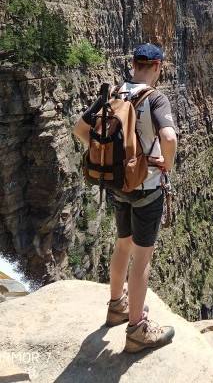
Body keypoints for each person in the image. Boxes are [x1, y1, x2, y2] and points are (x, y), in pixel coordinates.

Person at [73, 43, 178, 353]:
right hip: (146, 187)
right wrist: (166, 163)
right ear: (158, 67)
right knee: (142, 256)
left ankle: (116, 305)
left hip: (118, 183)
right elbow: (169, 137)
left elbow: (81, 130)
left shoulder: (114, 93)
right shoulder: (155, 98)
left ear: (133, 64)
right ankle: (136, 330)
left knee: (123, 245)